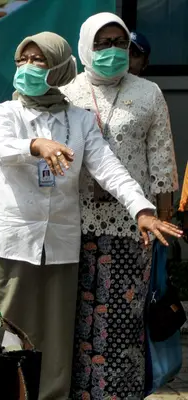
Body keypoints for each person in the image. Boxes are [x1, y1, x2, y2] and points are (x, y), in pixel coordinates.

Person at [0, 31, 181, 400]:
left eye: (38, 61)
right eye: (22, 60)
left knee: (55, 337)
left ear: (58, 67)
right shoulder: (7, 111)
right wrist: (35, 145)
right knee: (2, 331)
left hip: (59, 244)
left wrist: (142, 209)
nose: (27, 68)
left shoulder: (80, 120)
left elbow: (110, 168)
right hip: (11, 241)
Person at [60, 13, 179, 399]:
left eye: (119, 42)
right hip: (74, 225)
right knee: (77, 321)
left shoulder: (149, 93)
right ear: (85, 46)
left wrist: (164, 219)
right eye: (102, 43)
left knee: (123, 323)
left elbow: (162, 163)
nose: (112, 50)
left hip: (133, 228)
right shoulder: (66, 93)